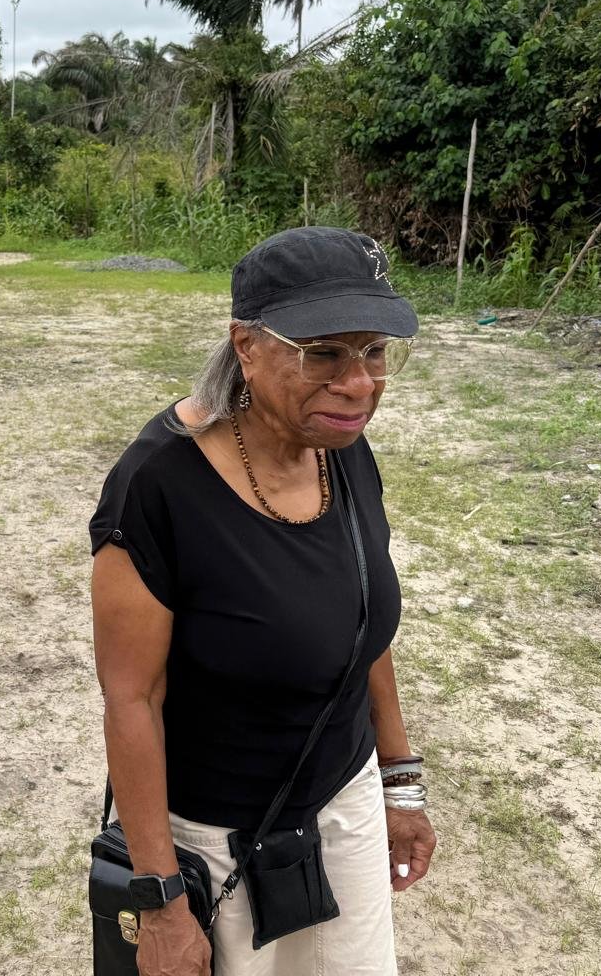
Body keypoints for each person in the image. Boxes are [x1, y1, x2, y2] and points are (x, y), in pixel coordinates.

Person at [90, 227, 437, 976]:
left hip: (344, 804)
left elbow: (363, 625)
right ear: (246, 346)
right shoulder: (158, 487)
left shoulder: (341, 448)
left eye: (375, 351)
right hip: (214, 843)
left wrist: (400, 785)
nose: (359, 383)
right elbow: (131, 699)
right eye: (324, 354)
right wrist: (161, 903)